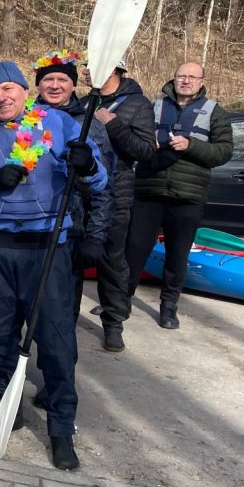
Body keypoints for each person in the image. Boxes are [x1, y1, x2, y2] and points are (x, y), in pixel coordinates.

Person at [0, 60, 108, 471]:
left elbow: (99, 181)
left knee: (56, 341)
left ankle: (61, 428)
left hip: (47, 246)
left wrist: (87, 165)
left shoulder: (59, 123)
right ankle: (11, 407)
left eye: (8, 88)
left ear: (24, 90)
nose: (1, 97)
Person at [125, 62, 233, 330]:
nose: (186, 81)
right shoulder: (153, 106)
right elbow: (133, 137)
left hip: (188, 195)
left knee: (177, 254)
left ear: (202, 81)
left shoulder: (215, 112)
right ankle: (119, 301)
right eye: (181, 76)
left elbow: (223, 152)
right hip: (149, 189)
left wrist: (191, 145)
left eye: (192, 77)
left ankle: (169, 307)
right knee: (134, 249)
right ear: (173, 79)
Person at [79, 57, 156, 351]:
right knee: (75, 259)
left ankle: (113, 323)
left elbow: (146, 151)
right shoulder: (84, 102)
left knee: (112, 263)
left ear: (113, 69)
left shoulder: (137, 104)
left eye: (92, 65)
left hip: (116, 195)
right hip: (81, 194)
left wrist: (114, 125)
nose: (86, 71)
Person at [32, 50, 115, 322]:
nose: (55, 86)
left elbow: (104, 187)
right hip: (31, 227)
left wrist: (96, 236)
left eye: (62, 80)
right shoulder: (24, 120)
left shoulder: (88, 124)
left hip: (71, 228)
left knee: (62, 310)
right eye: (48, 80)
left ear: (73, 85)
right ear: (38, 85)